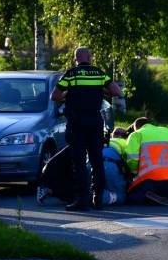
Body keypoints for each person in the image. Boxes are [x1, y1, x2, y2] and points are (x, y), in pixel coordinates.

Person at [50, 47, 123, 211]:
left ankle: (82, 200)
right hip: (95, 123)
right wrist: (99, 90)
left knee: (79, 162)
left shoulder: (71, 74)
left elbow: (54, 96)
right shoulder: (99, 73)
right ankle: (98, 198)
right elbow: (116, 91)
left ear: (76, 59)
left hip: (77, 124)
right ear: (89, 58)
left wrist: (67, 94)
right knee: (97, 161)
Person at [124, 118, 168, 206]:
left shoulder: (136, 134)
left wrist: (133, 172)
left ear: (136, 127)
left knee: (132, 197)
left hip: (149, 179)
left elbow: (133, 160)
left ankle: (149, 197)